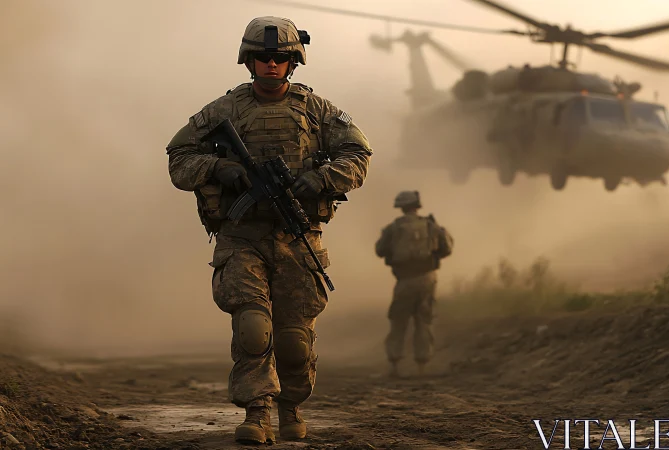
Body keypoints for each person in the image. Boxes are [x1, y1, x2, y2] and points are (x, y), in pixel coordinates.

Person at [165, 17, 372, 445]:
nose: (271, 64)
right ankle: (257, 413)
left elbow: (358, 154)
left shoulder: (318, 110)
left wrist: (323, 178)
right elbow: (179, 157)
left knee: (295, 340)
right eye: (263, 57)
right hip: (242, 236)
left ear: (293, 62)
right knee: (253, 327)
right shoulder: (224, 110)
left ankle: (291, 407)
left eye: (279, 57)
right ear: (249, 61)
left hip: (298, 236)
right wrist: (217, 167)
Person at [374, 191, 454, 377]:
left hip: (405, 279)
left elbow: (380, 250)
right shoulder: (431, 225)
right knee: (424, 320)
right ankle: (422, 366)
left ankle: (394, 365)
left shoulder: (393, 228)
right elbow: (447, 249)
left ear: (401, 207)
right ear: (417, 205)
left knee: (398, 321)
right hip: (428, 278)